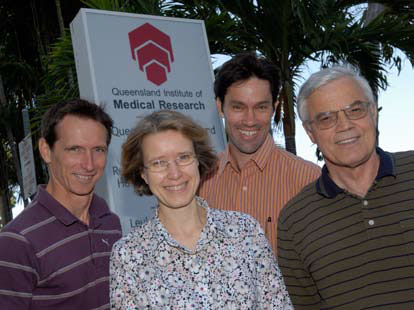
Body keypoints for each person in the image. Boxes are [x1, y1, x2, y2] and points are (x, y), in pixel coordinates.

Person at [110, 110, 293, 309]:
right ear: (143, 174)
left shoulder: (245, 231)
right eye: (159, 163)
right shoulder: (129, 255)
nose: (174, 173)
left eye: (183, 157)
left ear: (198, 160)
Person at [277, 64, 414, 309]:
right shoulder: (294, 222)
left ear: (374, 113)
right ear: (310, 132)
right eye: (327, 118)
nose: (345, 125)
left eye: (355, 110)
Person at [0, 99, 122, 309]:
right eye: (75, 149)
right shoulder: (17, 241)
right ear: (46, 151)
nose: (89, 164)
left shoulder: (110, 223)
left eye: (98, 150)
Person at [199, 52, 321, 252]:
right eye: (238, 107)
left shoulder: (308, 180)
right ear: (220, 107)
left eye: (261, 107)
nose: (250, 120)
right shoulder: (200, 181)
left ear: (274, 108)